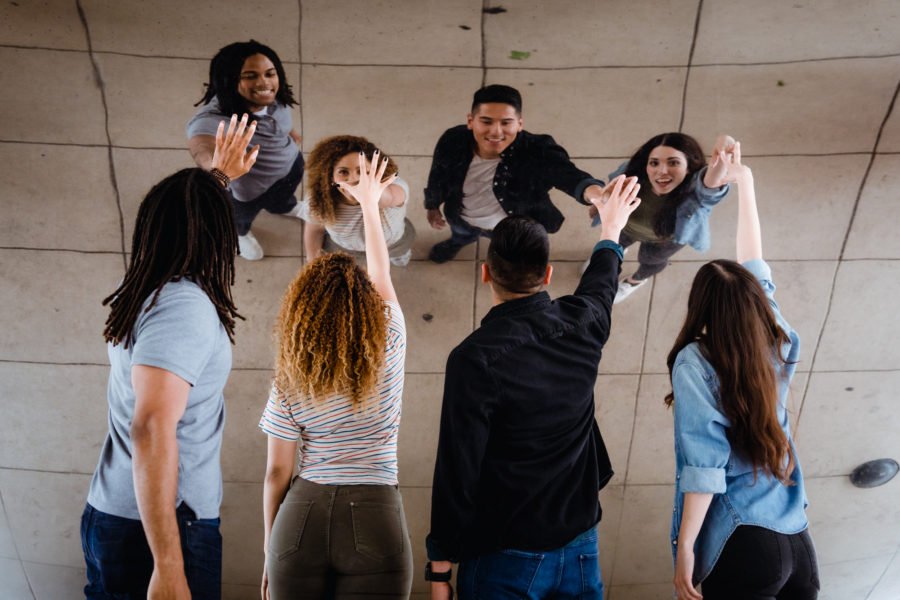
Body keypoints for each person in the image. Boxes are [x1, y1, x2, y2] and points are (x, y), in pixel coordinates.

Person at [426, 177, 642, 600]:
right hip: (582, 547)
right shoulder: (585, 323)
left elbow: (457, 467)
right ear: (547, 274)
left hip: (504, 555)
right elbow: (602, 282)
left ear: (486, 273)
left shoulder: (473, 358)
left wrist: (439, 569)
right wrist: (611, 229)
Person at [82, 115, 258, 599]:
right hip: (161, 530)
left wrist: (218, 178)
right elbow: (152, 426)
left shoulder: (146, 293)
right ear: (216, 234)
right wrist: (168, 563)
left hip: (127, 517)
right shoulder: (182, 305)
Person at [667, 143, 818, 600]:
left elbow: (705, 466)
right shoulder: (776, 334)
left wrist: (685, 550)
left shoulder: (696, 361)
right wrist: (745, 183)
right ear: (753, 299)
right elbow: (755, 265)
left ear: (702, 307)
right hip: (798, 540)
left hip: (743, 537)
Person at [260, 151, 414, 599]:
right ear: (367, 304)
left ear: (302, 315)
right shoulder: (390, 336)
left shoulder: (291, 375)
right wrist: (369, 205)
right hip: (376, 510)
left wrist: (272, 552)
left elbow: (276, 473)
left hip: (300, 515)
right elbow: (380, 268)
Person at [424, 84, 607, 263]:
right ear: (470, 121)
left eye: (506, 123)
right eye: (486, 122)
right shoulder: (452, 140)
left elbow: (566, 173)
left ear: (519, 124)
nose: (496, 131)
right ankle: (457, 243)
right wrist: (432, 206)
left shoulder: (536, 150)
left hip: (513, 228)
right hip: (462, 219)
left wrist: (594, 192)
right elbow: (437, 176)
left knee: (510, 250)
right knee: (461, 235)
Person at [188, 40, 304, 261]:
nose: (264, 82)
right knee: (240, 217)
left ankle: (283, 207)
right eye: (250, 76)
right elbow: (201, 145)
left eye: (270, 73)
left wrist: (289, 132)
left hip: (290, 165)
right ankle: (239, 235)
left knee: (284, 197)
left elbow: (272, 113)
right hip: (249, 190)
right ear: (229, 81)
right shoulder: (215, 118)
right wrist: (216, 166)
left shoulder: (275, 96)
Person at [585, 133, 734, 304]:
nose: (662, 171)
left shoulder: (695, 192)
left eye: (673, 162)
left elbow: (711, 185)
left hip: (665, 241)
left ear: (689, 167)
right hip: (625, 227)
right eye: (654, 163)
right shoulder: (633, 172)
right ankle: (612, 256)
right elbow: (611, 191)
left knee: (649, 261)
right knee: (614, 243)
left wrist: (723, 157)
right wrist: (599, 205)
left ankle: (635, 281)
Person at [297, 135, 415, 266]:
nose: (353, 179)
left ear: (377, 172)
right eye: (343, 172)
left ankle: (399, 258)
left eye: (363, 171)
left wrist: (370, 196)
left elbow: (390, 198)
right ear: (331, 177)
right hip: (345, 247)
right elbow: (314, 230)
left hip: (393, 244)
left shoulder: (395, 186)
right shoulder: (320, 199)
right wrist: (313, 261)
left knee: (399, 254)